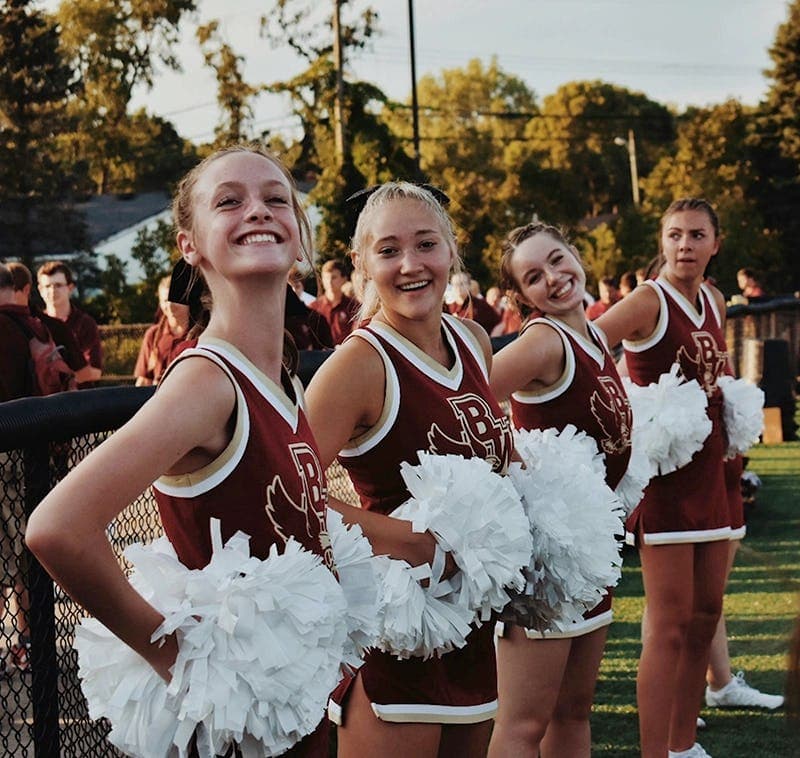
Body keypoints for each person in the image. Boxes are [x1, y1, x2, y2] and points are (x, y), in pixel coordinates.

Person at [25, 144, 335, 756]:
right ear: (189, 244)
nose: (259, 211)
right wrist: (176, 657)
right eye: (229, 201)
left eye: (278, 199)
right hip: (236, 723)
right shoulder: (207, 382)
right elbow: (57, 528)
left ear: (300, 236)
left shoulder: (283, 374)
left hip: (292, 707)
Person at [304, 182, 513, 758]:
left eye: (426, 244)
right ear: (361, 264)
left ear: (451, 251)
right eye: (388, 250)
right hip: (397, 635)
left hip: (471, 628)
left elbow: (491, 454)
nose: (410, 265)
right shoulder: (359, 363)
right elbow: (289, 494)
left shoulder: (473, 341)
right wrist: (412, 542)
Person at [487, 222, 632, 757]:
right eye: (533, 276)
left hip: (585, 552)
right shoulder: (544, 341)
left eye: (557, 259)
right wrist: (517, 465)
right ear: (521, 297)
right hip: (546, 562)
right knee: (524, 724)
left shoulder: (592, 333)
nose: (553, 277)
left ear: (575, 252)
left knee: (573, 712)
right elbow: (465, 404)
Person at [596, 198, 732, 758]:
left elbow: (718, 373)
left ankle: (683, 745)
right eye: (674, 235)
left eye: (696, 235)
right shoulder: (648, 299)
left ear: (715, 243)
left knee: (704, 616)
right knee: (670, 622)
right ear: (662, 240)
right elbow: (588, 348)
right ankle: (656, 752)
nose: (684, 246)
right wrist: (626, 412)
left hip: (714, 471)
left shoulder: (716, 299)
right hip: (667, 478)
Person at [37, 261, 103, 386]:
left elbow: (95, 372)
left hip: (78, 400)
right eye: (47, 286)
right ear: (40, 289)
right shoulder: (36, 324)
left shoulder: (84, 323)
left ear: (70, 288)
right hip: (44, 401)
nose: (52, 290)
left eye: (58, 285)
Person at [133, 276, 191, 386]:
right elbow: (144, 380)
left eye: (175, 299)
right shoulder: (153, 335)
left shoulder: (202, 335)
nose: (170, 305)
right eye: (165, 300)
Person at [310, 259, 360, 345]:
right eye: (326, 278)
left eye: (334, 277)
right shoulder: (314, 307)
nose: (329, 282)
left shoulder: (354, 306)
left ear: (344, 279)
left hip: (346, 353)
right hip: (320, 355)